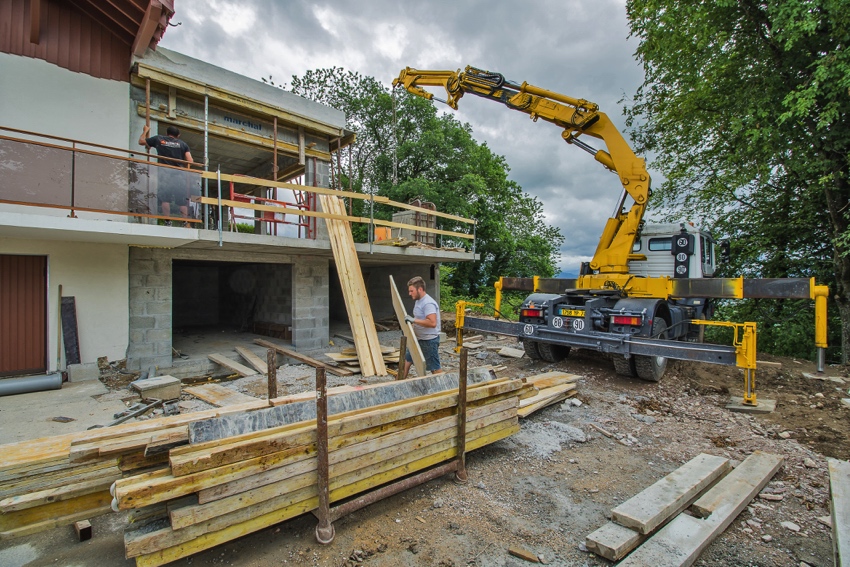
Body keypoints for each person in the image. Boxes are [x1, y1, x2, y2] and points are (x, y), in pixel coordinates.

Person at [138, 124, 194, 223]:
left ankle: (167, 220)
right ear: (178, 135)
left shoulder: (159, 139)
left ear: (167, 133)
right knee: (181, 200)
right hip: (179, 174)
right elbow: (190, 161)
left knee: (165, 199)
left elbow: (141, 141)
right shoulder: (183, 144)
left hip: (164, 173)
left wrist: (145, 131)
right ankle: (185, 222)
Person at [403, 276, 441, 376]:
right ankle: (397, 386)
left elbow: (432, 323)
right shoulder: (418, 301)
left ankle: (445, 388)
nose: (409, 293)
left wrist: (414, 320)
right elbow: (420, 320)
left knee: (435, 369)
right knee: (405, 362)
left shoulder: (428, 303)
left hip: (428, 341)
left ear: (420, 289)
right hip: (418, 340)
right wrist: (411, 325)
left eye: (411, 291)